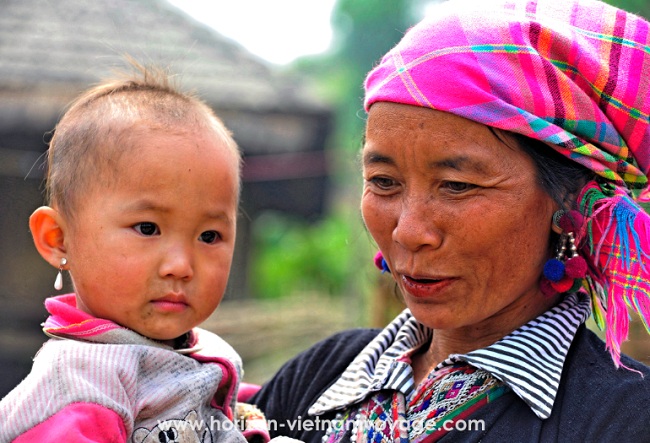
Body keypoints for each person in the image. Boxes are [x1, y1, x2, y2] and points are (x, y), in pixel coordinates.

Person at [251, 0, 650, 441]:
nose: (408, 231)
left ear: (570, 199)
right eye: (384, 181)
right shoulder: (316, 376)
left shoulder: (623, 420)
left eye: (456, 185)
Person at [0, 64, 266, 442]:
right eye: (147, 229)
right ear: (59, 239)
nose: (180, 266)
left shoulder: (193, 350)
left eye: (209, 235)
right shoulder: (84, 389)